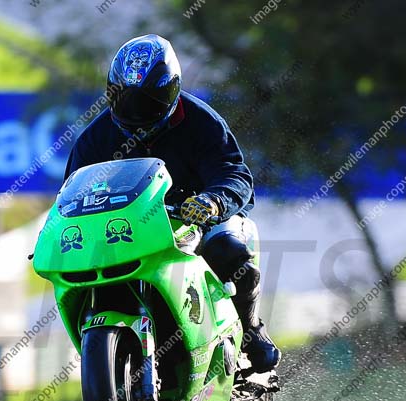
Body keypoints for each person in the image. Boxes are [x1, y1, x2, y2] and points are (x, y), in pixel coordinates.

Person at [64, 34, 280, 372]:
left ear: (172, 88)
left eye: (149, 99)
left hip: (197, 217)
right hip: (131, 227)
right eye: (127, 100)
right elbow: (70, 193)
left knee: (229, 251)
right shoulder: (95, 138)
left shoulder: (201, 122)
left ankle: (250, 330)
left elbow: (234, 175)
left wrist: (212, 202)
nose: (137, 112)